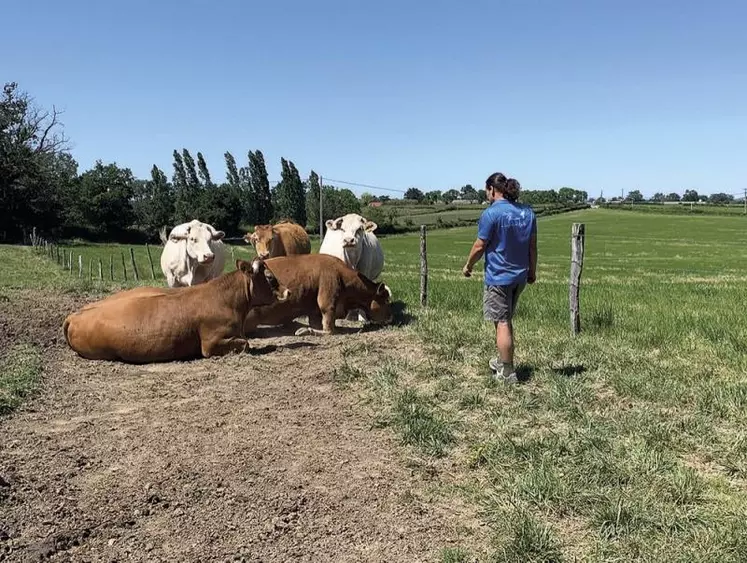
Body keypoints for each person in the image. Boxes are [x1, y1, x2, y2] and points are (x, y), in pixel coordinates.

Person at [462, 172, 537, 383]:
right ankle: (503, 359)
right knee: (505, 319)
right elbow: (532, 246)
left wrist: (468, 265)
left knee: (502, 322)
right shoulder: (527, 213)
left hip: (498, 277)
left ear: (492, 190)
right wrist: (532, 271)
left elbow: (480, 245)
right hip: (520, 276)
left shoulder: (491, 214)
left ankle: (507, 371)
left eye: (486, 191)